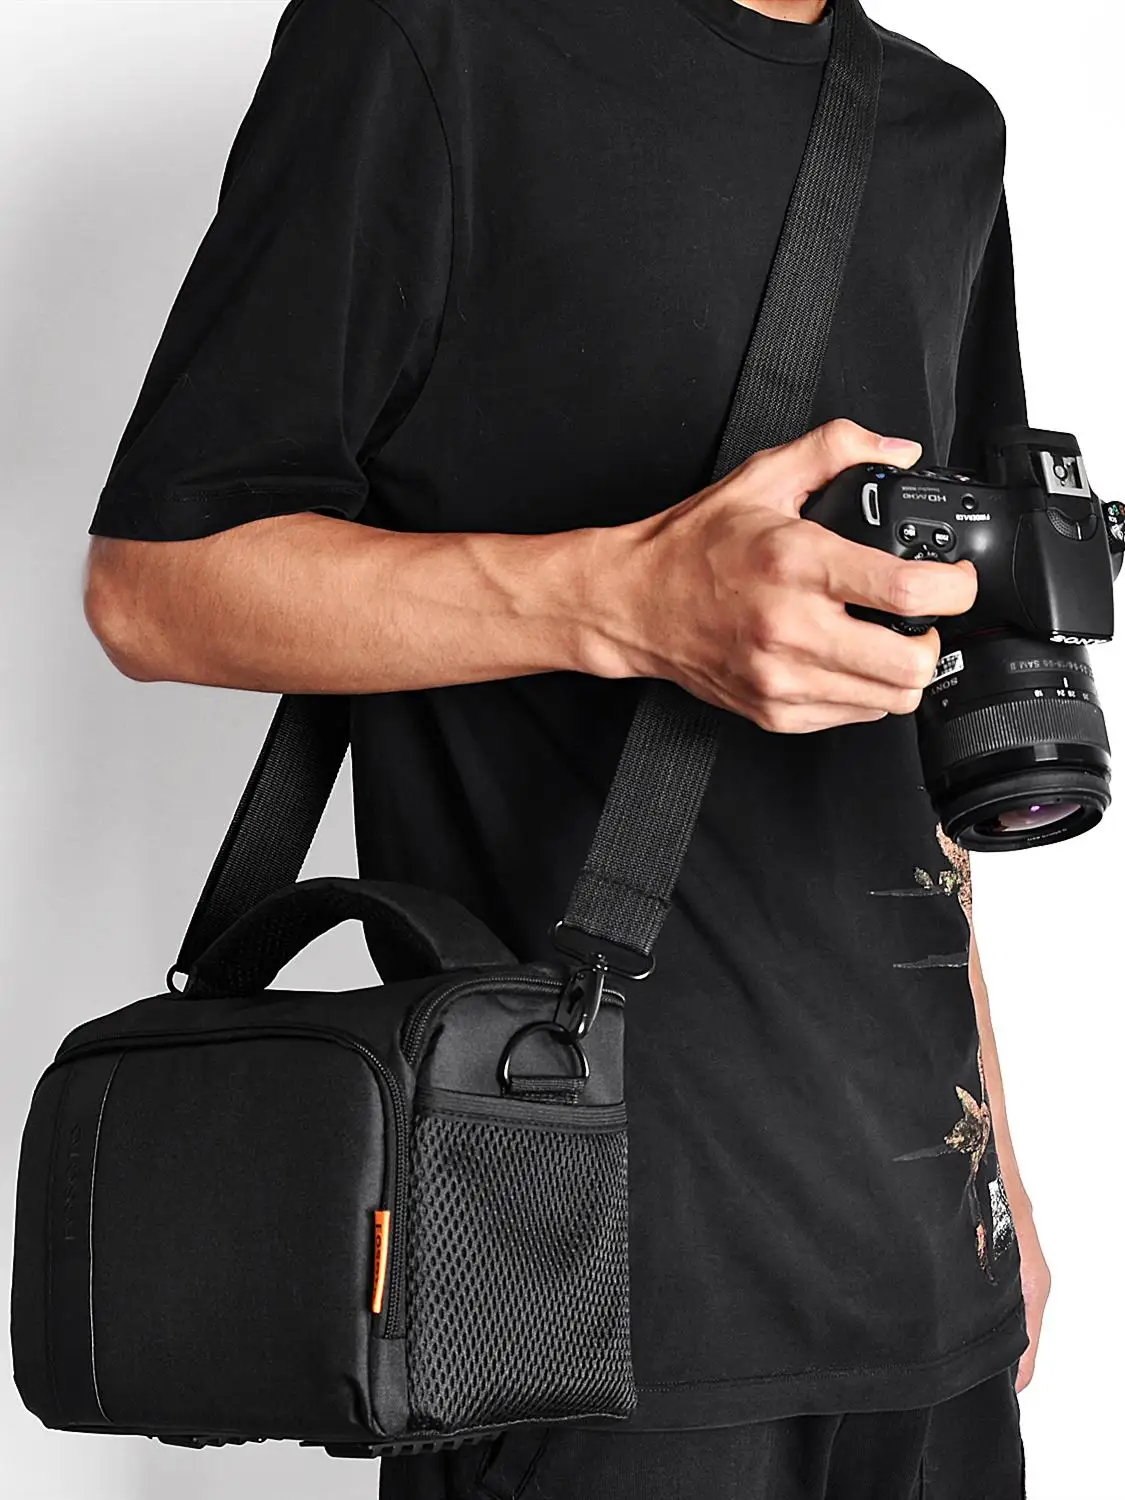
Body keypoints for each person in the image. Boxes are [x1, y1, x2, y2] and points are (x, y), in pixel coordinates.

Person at [82, 0, 1051, 1494]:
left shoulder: (944, 131)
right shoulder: (428, 41)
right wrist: (626, 600)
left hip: (931, 1265)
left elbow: (920, 701)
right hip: (568, 1266)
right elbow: (154, 587)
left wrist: (997, 1170)